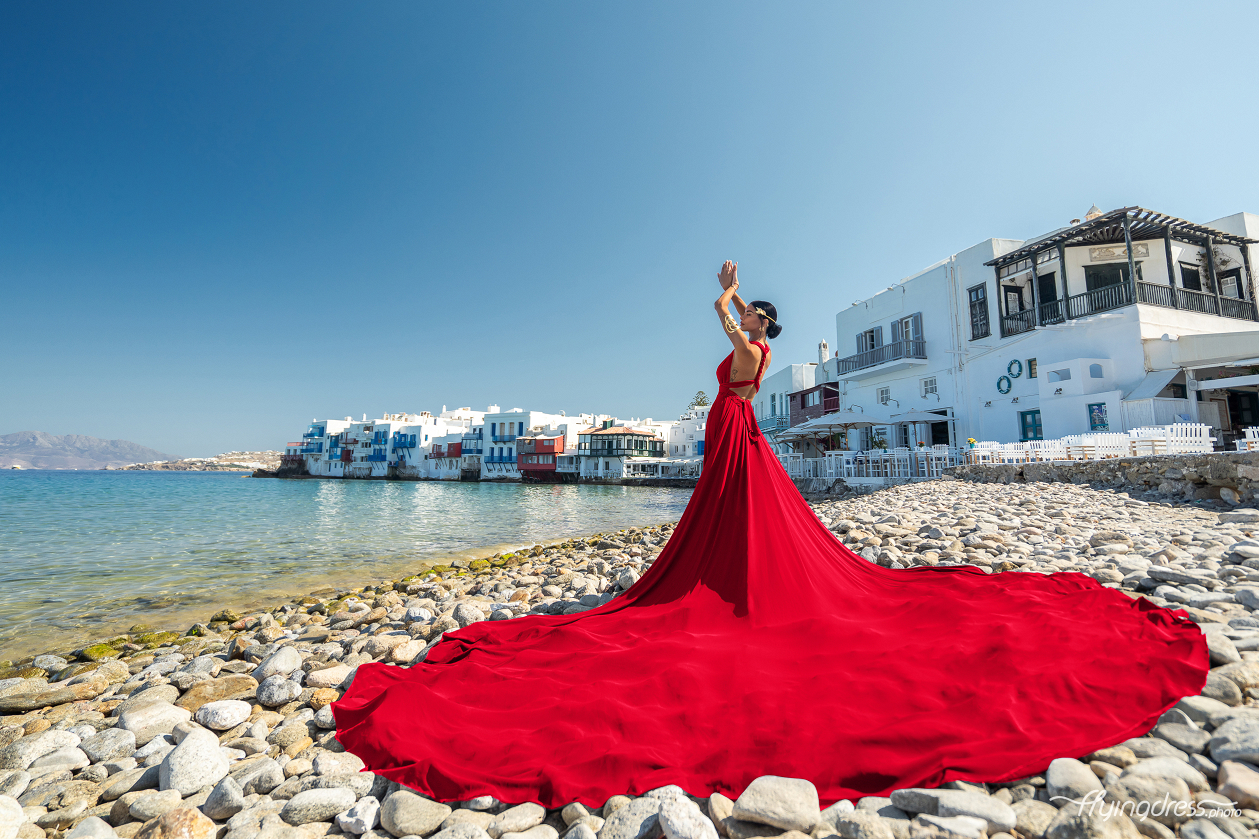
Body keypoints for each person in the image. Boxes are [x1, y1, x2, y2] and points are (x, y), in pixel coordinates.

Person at [331, 261, 1208, 810]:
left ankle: (730, 585)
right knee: (732, 508)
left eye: (754, 321)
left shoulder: (746, 354)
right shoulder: (752, 346)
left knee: (740, 515)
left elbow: (723, 324)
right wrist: (736, 288)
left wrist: (724, 289)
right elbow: (733, 318)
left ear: (761, 335)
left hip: (732, 428)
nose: (748, 326)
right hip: (729, 430)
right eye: (751, 319)